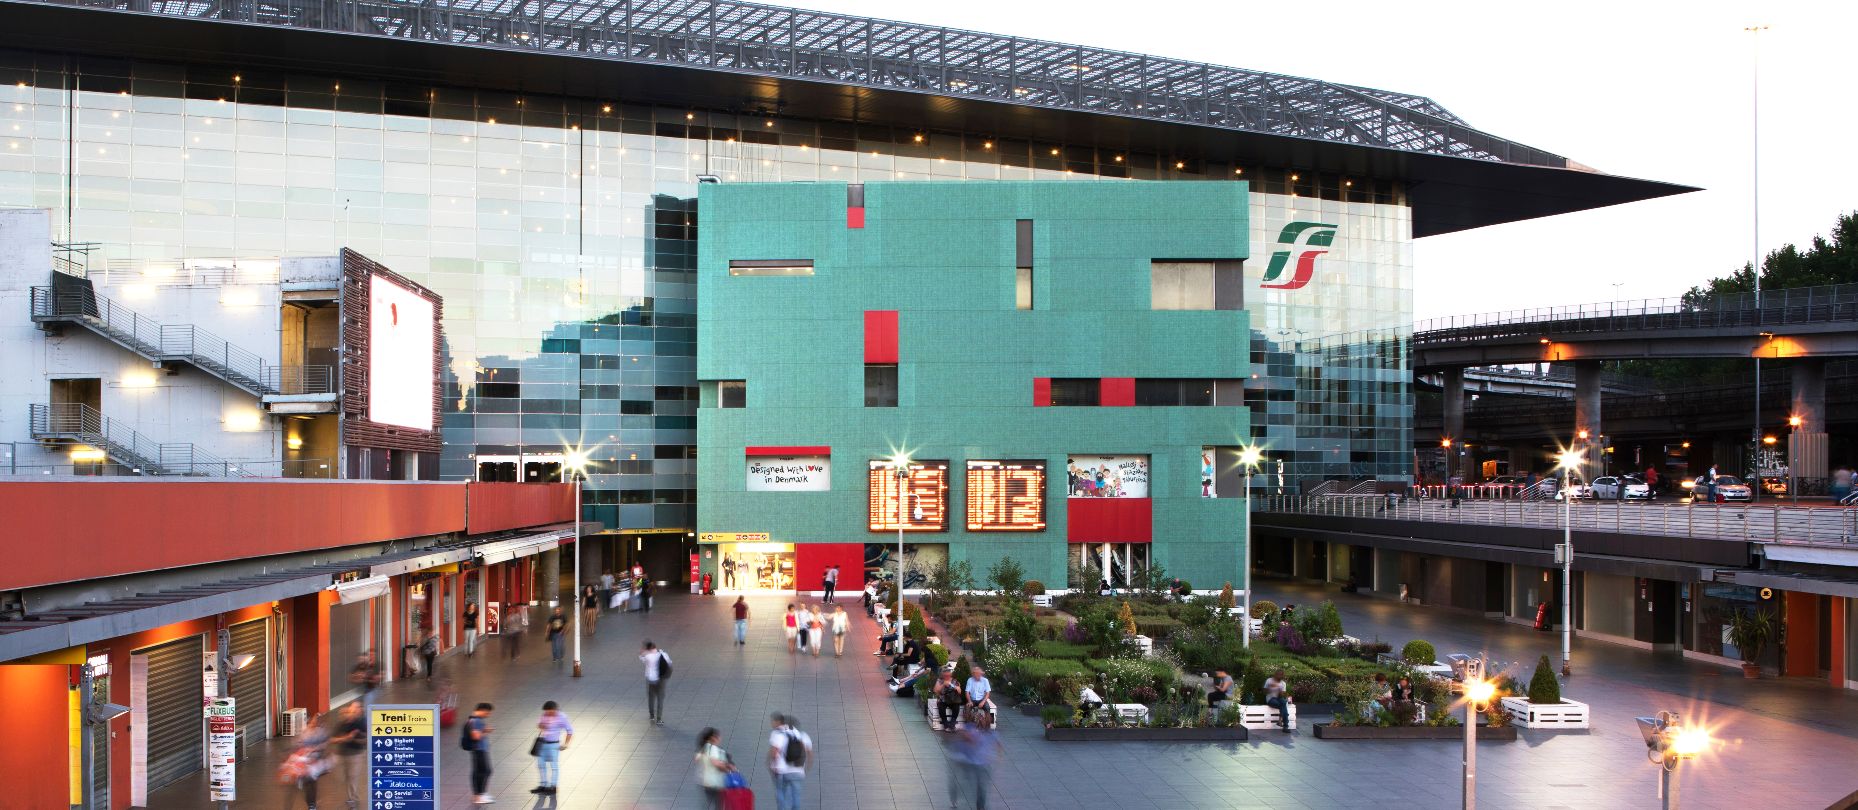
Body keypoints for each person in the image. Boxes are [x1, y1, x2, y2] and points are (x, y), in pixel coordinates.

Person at [947, 709, 1002, 810]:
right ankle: (977, 804)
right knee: (977, 785)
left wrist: (996, 757)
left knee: (979, 786)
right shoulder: (972, 730)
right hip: (973, 761)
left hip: (979, 763)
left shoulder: (984, 732)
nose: (983, 720)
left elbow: (997, 746)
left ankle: (979, 805)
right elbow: (971, 741)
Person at [281, 711, 331, 810]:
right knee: (301, 784)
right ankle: (309, 803)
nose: (313, 722)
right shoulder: (305, 730)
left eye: (316, 721)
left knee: (310, 783)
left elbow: (324, 745)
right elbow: (297, 743)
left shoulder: (321, 732)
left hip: (313, 762)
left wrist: (313, 749)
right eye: (313, 720)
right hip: (302, 761)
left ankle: (312, 804)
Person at [767, 713, 812, 810]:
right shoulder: (803, 735)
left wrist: (772, 765)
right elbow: (809, 753)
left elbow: (774, 753)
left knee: (780, 792)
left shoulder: (778, 735)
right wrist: (806, 767)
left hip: (782, 771)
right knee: (796, 796)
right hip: (798, 770)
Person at [329, 701, 367, 807]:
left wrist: (355, 738)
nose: (353, 712)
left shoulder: (363, 722)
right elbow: (332, 739)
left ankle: (352, 800)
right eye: (352, 710)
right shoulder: (341, 724)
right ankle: (352, 796)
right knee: (341, 777)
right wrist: (345, 738)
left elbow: (367, 740)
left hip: (356, 754)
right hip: (341, 754)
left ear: (360, 711)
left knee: (352, 777)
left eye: (356, 709)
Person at [532, 700, 573, 795]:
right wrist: (541, 726)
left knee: (554, 766)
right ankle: (543, 785)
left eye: (550, 711)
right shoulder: (544, 715)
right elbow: (539, 724)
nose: (548, 713)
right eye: (547, 711)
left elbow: (570, 730)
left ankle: (553, 786)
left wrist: (566, 744)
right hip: (542, 743)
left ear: (555, 709)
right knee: (541, 765)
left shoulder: (562, 717)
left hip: (554, 744)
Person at [695, 727, 735, 810]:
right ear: (713, 738)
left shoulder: (704, 748)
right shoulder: (713, 749)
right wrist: (728, 768)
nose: (720, 738)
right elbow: (716, 763)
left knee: (712, 803)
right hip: (715, 782)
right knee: (719, 805)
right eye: (719, 736)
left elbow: (697, 759)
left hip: (706, 782)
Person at [465, 702, 495, 805]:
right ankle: (479, 795)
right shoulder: (476, 720)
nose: (488, 715)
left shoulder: (472, 719)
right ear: (482, 710)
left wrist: (484, 730)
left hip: (478, 750)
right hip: (479, 750)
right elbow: (476, 736)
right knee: (485, 771)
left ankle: (478, 795)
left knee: (479, 772)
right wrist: (486, 731)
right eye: (487, 713)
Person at [642, 640, 672, 726]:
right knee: (660, 698)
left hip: (651, 679)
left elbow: (642, 658)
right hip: (661, 679)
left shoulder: (647, 656)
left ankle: (652, 715)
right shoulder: (663, 654)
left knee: (651, 697)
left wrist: (643, 652)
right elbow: (669, 664)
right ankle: (659, 719)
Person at [933, 667, 962, 731]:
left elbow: (959, 691)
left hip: (953, 699)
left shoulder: (954, 681)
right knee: (941, 707)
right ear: (943, 675)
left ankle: (952, 725)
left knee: (956, 707)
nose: (947, 676)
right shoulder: (940, 680)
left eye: (948, 675)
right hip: (943, 699)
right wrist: (943, 684)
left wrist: (957, 688)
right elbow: (935, 690)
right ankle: (946, 725)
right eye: (945, 675)